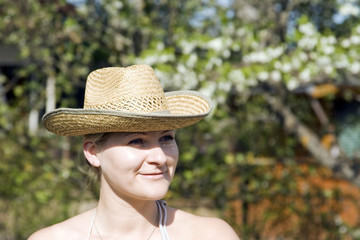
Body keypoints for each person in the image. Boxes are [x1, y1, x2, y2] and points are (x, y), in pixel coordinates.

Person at [28, 65, 240, 240]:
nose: (159, 157)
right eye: (137, 141)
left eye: (166, 138)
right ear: (92, 152)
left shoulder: (210, 235)